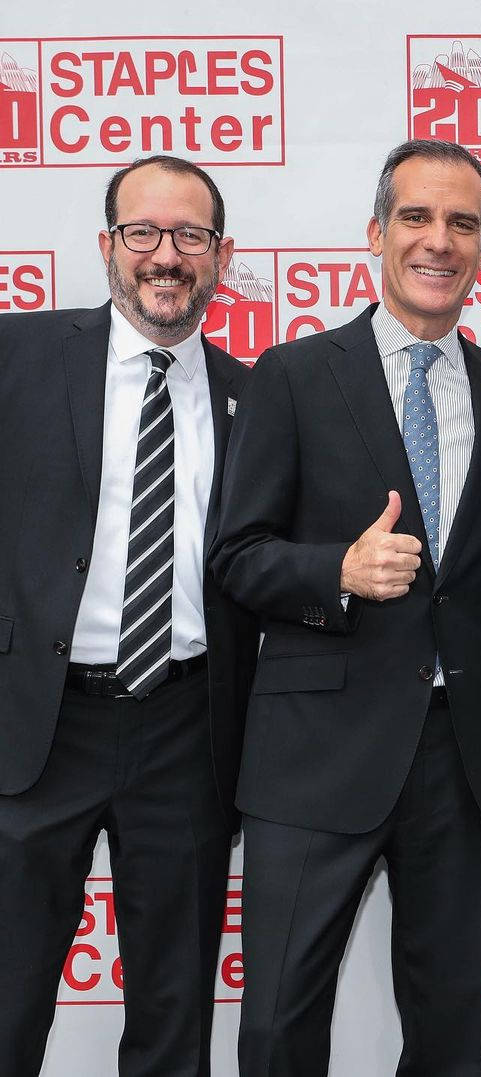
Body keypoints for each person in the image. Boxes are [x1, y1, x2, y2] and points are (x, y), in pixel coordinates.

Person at [210, 139, 481, 1076]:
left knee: (450, 1034)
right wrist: (337, 573)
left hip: (461, 757)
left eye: (463, 223)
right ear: (376, 233)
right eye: (417, 217)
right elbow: (237, 558)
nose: (439, 240)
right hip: (315, 751)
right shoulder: (295, 374)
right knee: (277, 1024)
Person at [0, 155, 257, 1076]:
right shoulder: (18, 353)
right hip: (36, 724)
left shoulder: (258, 397)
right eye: (144, 233)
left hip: (186, 728)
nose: (166, 256)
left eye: (190, 236)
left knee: (172, 1016)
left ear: (221, 257)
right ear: (108, 247)